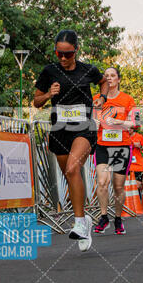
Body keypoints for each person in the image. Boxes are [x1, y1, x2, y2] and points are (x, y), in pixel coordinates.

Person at [33, 29, 109, 252]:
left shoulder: (88, 70)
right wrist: (48, 95)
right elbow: (36, 102)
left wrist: (102, 97)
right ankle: (84, 219)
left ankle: (78, 223)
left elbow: (103, 82)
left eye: (68, 54)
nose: (63, 58)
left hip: (83, 127)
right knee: (69, 173)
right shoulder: (49, 71)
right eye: (59, 54)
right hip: (60, 129)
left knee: (74, 168)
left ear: (76, 51)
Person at [92, 67, 136, 235]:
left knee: (118, 186)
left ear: (118, 79)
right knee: (102, 181)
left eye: (112, 76)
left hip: (121, 146)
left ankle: (118, 218)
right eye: (106, 76)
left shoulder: (127, 99)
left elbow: (135, 123)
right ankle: (104, 217)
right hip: (102, 145)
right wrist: (94, 123)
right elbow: (92, 120)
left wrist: (119, 123)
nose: (109, 78)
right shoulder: (97, 99)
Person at [128, 128, 143, 197]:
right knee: (129, 184)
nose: (128, 129)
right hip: (127, 164)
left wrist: (140, 146)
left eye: (130, 128)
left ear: (133, 128)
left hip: (137, 164)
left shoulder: (139, 136)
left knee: (138, 185)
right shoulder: (124, 136)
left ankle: (142, 197)